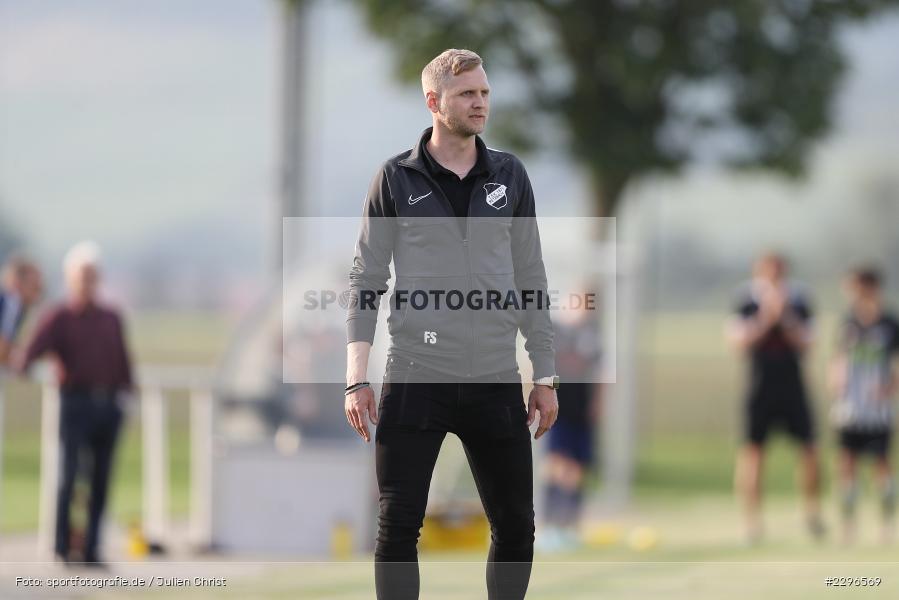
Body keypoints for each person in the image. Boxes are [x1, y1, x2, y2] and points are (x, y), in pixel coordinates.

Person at [344, 49, 558, 600]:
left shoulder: (510, 175)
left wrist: (545, 375)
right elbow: (366, 278)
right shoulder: (394, 179)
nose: (480, 103)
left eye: (485, 92)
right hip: (417, 375)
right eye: (468, 94)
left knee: (516, 525)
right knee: (397, 527)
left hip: (494, 376)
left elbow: (531, 274)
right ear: (434, 102)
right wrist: (357, 377)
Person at [17, 241, 134, 566]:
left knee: (101, 479)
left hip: (108, 405)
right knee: (68, 476)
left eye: (92, 275)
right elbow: (31, 352)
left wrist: (126, 398)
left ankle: (93, 548)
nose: (87, 281)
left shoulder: (111, 318)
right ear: (70, 278)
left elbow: (123, 363)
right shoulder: (59, 317)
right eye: (82, 275)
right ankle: (62, 545)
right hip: (75, 402)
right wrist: (20, 362)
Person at [727, 252, 825, 543]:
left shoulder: (800, 299)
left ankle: (812, 514)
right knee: (753, 452)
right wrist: (766, 316)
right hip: (760, 385)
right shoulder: (746, 299)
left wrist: (785, 316)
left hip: (793, 384)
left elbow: (808, 342)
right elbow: (738, 342)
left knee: (809, 450)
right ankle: (752, 523)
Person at [829, 266, 899, 544]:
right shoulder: (848, 323)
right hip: (850, 408)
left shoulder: (889, 323)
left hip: (878, 409)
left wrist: (890, 387)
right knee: (847, 463)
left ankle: (887, 524)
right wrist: (834, 381)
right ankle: (849, 525)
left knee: (881, 464)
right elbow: (837, 358)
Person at [538, 292, 601, 552]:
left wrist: (598, 404)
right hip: (558, 410)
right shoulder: (556, 333)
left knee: (576, 468)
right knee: (555, 464)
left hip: (581, 411)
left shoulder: (594, 337)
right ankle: (547, 525)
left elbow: (599, 373)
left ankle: (570, 526)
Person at [0, 254, 44, 367]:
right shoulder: (10, 303)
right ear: (17, 281)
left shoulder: (22, 310)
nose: (39, 290)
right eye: (34, 285)